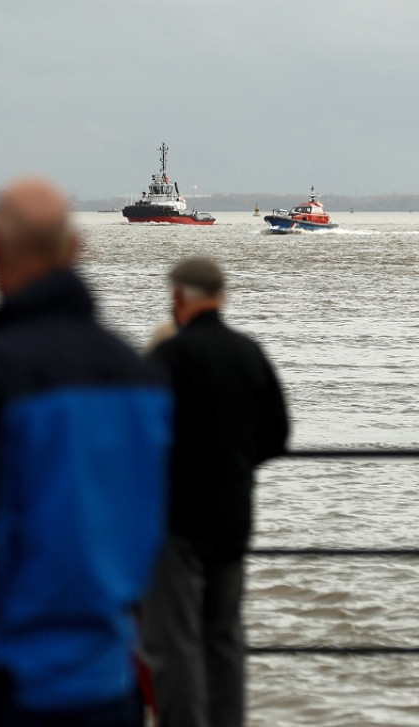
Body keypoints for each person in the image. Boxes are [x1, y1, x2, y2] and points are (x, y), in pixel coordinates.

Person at [0, 177, 171, 726]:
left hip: (14, 677)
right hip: (111, 671)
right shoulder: (139, 374)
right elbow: (150, 519)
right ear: (75, 249)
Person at [140, 257, 289, 727]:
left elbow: (139, 437)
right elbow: (278, 433)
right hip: (233, 517)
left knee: (178, 642)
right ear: (222, 296)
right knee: (224, 637)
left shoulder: (169, 358)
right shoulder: (250, 352)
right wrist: (238, 465)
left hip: (179, 521)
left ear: (178, 297)